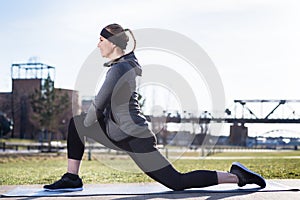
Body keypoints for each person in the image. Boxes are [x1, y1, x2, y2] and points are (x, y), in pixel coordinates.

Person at [44, 23, 266, 192]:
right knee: (78, 123)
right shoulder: (124, 65)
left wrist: (90, 125)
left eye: (101, 39)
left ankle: (237, 176)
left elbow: (96, 108)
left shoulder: (119, 69)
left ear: (112, 42)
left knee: (176, 182)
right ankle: (72, 178)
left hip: (134, 137)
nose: (98, 44)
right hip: (123, 133)